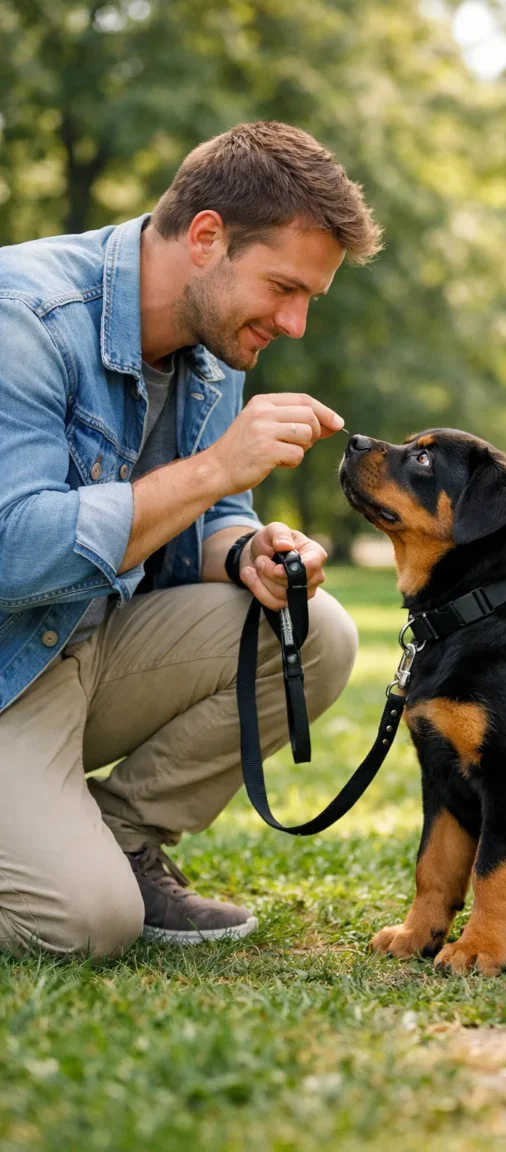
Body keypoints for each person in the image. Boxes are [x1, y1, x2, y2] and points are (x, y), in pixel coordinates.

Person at [0, 121, 383, 957]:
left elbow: (207, 518)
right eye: (284, 287)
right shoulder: (23, 317)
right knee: (82, 924)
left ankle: (123, 840)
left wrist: (247, 551)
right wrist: (215, 469)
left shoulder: (215, 345)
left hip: (90, 646)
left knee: (313, 635)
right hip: (8, 666)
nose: (294, 324)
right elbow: (11, 550)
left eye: (310, 298)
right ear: (206, 238)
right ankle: (78, 867)